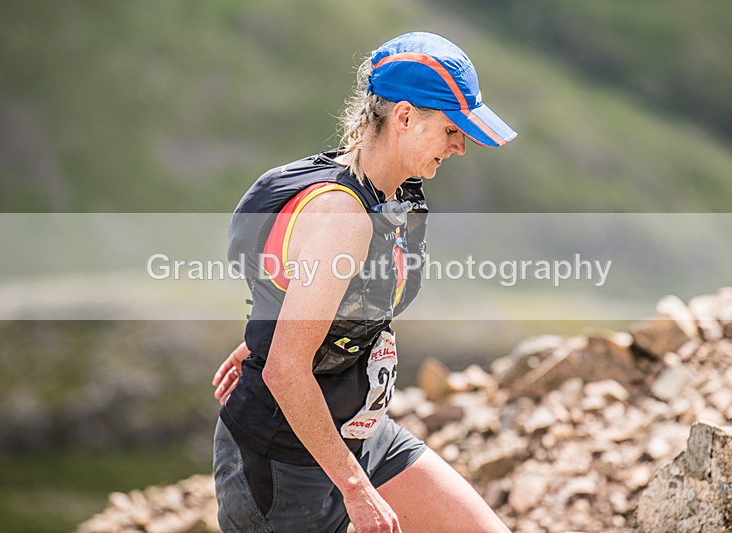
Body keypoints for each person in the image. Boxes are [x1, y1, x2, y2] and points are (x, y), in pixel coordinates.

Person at [211, 31, 516, 532]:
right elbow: (286, 370)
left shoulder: (386, 193)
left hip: (363, 433)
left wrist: (274, 333)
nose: (460, 146)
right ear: (404, 117)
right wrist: (355, 488)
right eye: (451, 129)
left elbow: (307, 291)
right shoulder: (343, 216)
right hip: (284, 462)